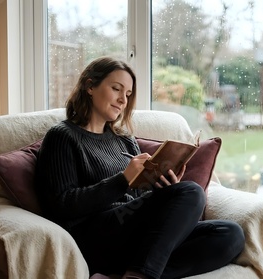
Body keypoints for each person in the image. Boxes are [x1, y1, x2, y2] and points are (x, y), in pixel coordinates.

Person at [34, 56, 245, 279]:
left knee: (230, 234)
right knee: (191, 192)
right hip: (95, 235)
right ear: (90, 86)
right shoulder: (62, 137)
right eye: (116, 89)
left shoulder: (124, 139)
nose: (123, 100)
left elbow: (138, 198)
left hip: (134, 233)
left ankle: (136, 271)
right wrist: (123, 179)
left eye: (127, 94)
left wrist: (163, 188)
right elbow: (62, 205)